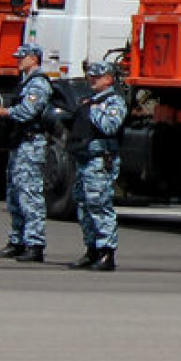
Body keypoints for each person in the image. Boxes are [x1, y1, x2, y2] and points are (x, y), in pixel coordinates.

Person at [0, 43, 52, 263]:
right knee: (15, 193)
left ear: (34, 58)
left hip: (31, 145)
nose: (18, 61)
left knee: (29, 194)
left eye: (22, 57)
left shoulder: (38, 84)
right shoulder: (25, 82)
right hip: (20, 145)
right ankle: (17, 241)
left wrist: (2, 111)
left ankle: (34, 244)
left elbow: (28, 112)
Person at [67, 62, 127, 271]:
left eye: (98, 76)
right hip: (85, 158)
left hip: (100, 159)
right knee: (83, 205)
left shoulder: (114, 101)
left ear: (109, 79)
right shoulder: (91, 100)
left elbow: (109, 126)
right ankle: (91, 249)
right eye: (91, 76)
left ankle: (106, 252)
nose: (92, 79)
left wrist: (93, 109)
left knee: (99, 205)